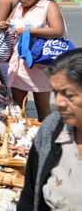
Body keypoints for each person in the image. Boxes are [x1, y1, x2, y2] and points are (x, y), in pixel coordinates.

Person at [18, 48, 82, 210]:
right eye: (55, 92)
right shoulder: (52, 128)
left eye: (68, 94)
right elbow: (29, 196)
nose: (58, 102)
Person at [0, 0, 64, 121]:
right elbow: (8, 25)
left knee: (42, 108)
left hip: (39, 64)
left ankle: (45, 140)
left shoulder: (48, 6)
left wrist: (29, 31)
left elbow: (58, 31)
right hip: (18, 63)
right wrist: (3, 25)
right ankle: (21, 139)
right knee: (17, 107)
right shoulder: (20, 6)